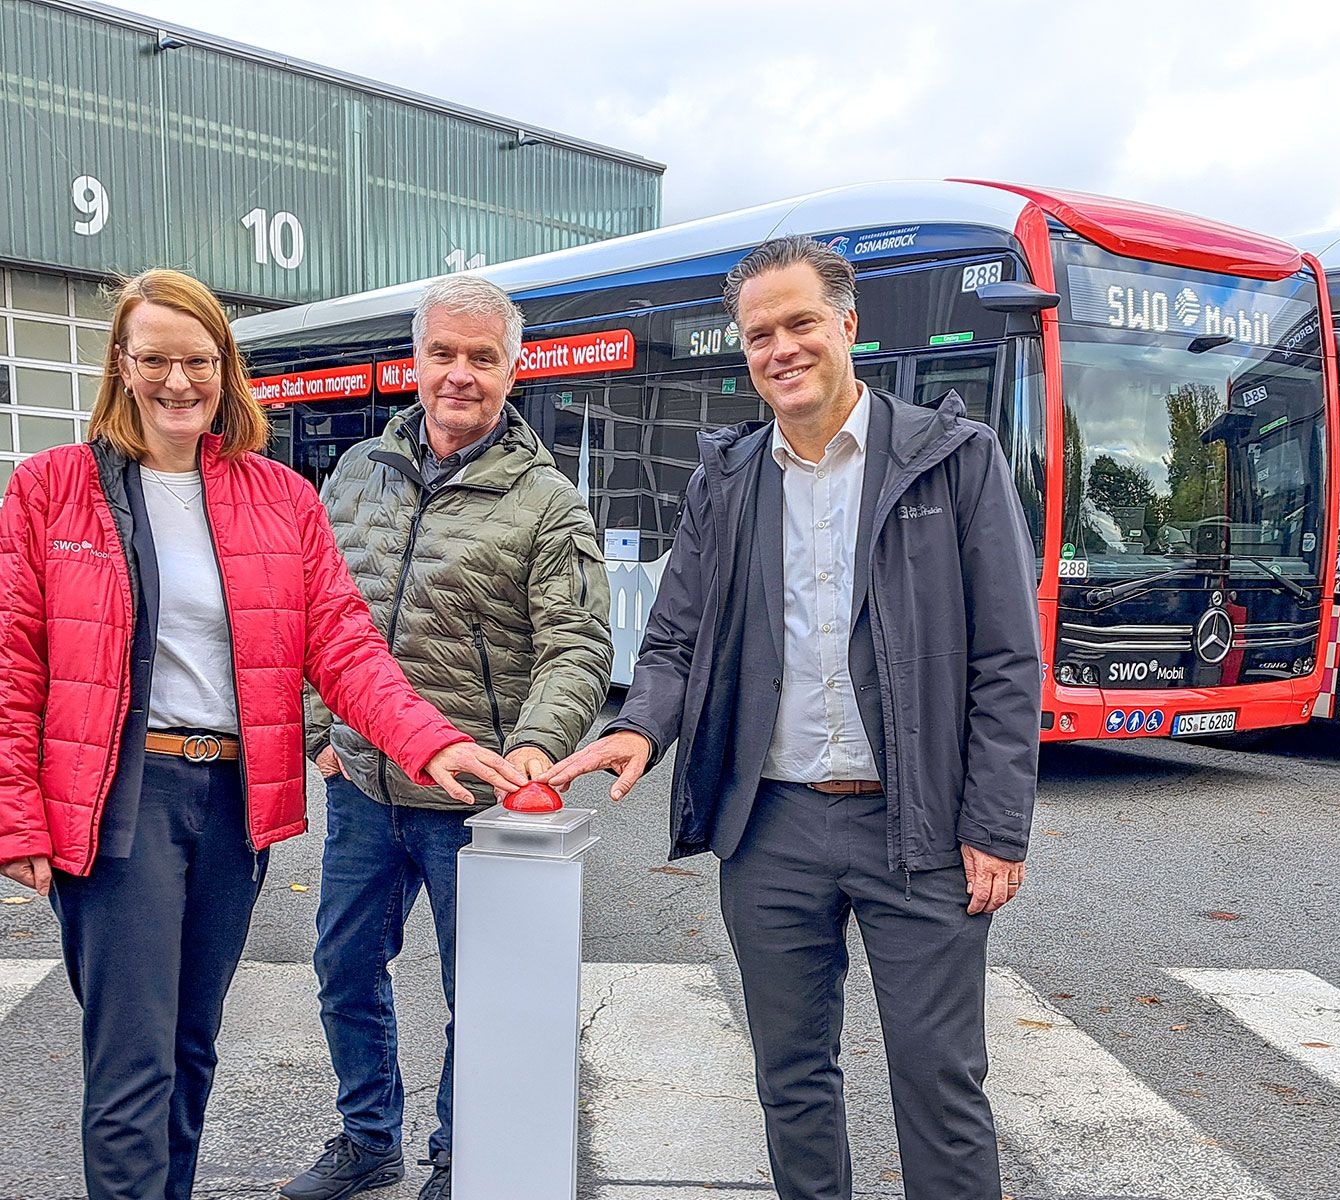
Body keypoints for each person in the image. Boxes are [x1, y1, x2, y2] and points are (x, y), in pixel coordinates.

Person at [0, 269, 524, 1200]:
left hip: (233, 800)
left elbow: (344, 643)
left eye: (197, 361)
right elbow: (15, 663)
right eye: (154, 359)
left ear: (224, 369)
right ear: (121, 365)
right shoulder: (52, 490)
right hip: (122, 798)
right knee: (132, 1060)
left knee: (192, 1046)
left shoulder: (279, 497)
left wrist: (426, 740)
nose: (176, 382)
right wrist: (15, 815)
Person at [546, 236, 1042, 1200]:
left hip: (923, 831)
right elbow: (676, 638)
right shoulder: (727, 480)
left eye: (800, 322)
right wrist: (641, 726)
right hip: (769, 828)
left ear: (846, 325)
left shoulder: (954, 461)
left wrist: (994, 822)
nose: (782, 347)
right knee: (791, 1080)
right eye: (759, 333)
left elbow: (1005, 661)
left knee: (939, 1083)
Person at [283, 275, 612, 1200]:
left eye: (482, 357)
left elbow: (578, 643)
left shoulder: (547, 501)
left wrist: (540, 745)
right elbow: (308, 615)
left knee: (484, 994)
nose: (459, 374)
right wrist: (319, 727)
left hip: (474, 803)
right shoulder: (355, 473)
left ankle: (458, 1154)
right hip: (360, 786)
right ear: (414, 363)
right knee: (344, 968)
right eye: (443, 353)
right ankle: (366, 1135)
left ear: (514, 369)